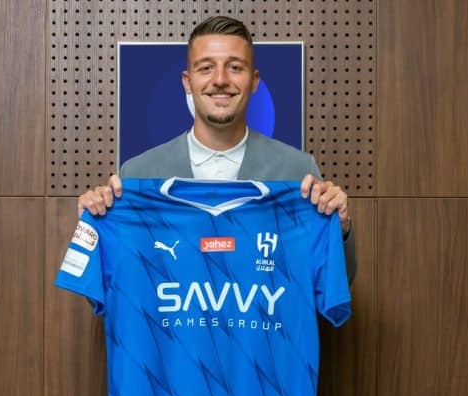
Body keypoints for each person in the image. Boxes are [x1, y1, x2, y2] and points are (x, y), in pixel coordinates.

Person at [78, 15, 356, 282]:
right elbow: (116, 290)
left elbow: (335, 283)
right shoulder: (137, 174)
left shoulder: (298, 172)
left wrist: (340, 229)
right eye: (206, 68)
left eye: (235, 67)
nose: (220, 79)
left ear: (254, 81)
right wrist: (93, 229)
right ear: (187, 81)